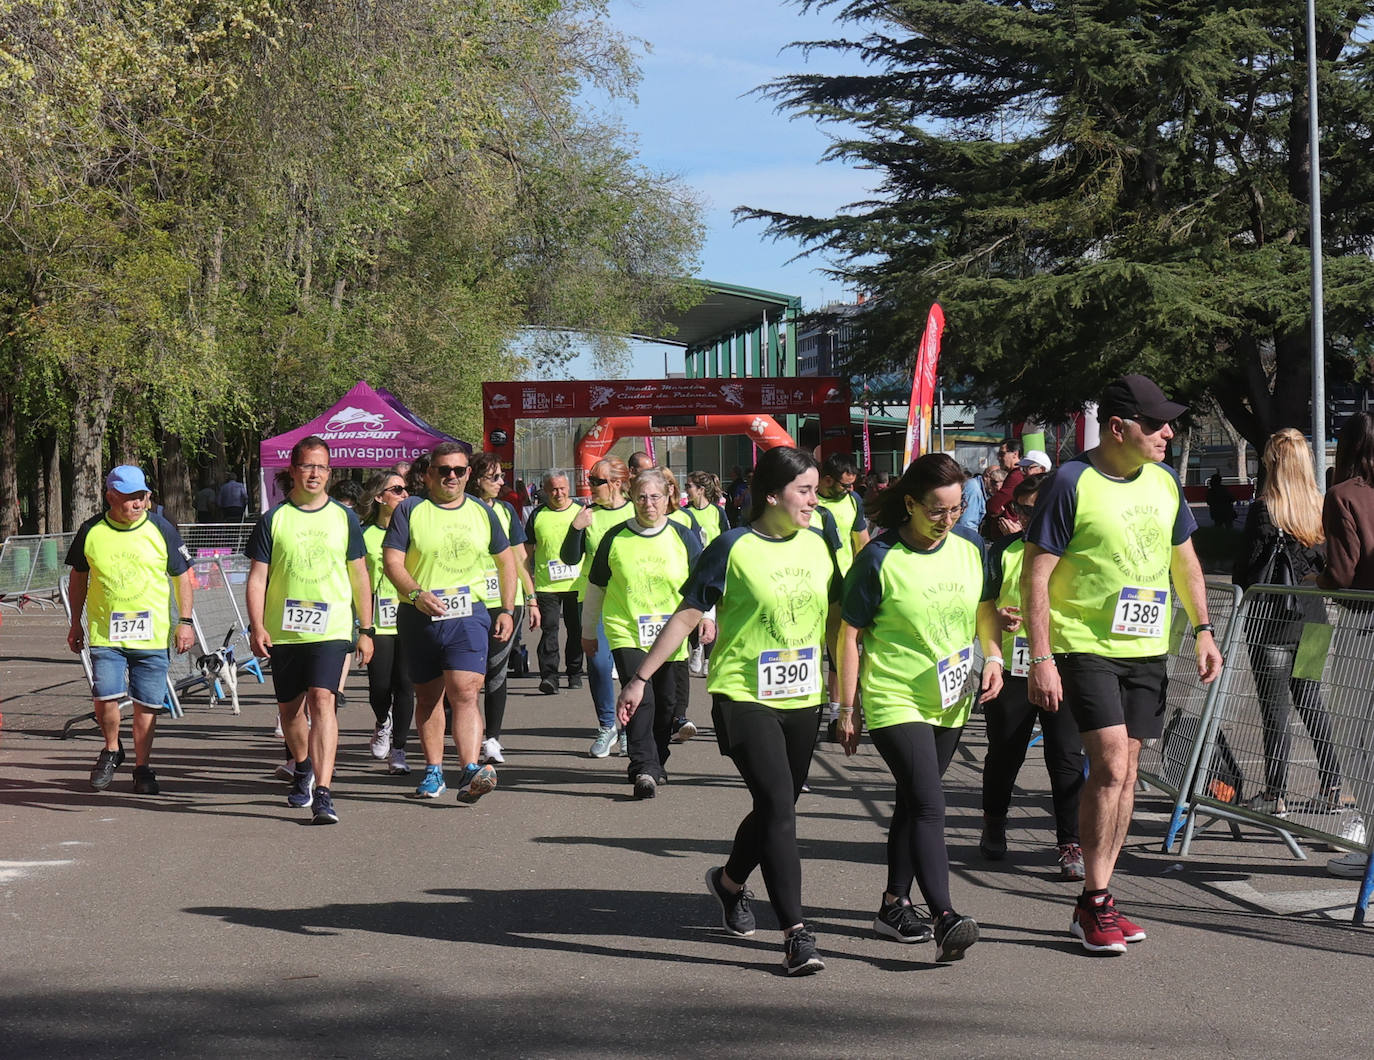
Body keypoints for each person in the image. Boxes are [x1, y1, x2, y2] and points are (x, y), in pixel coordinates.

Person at [616, 446, 841, 976]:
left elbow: (838, 617)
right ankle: (797, 934)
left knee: (774, 809)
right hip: (744, 695)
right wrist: (641, 677)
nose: (814, 499)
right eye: (803, 490)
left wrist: (849, 690)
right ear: (771, 495)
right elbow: (689, 611)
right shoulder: (732, 546)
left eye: (815, 490)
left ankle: (728, 882)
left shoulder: (819, 543)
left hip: (804, 696)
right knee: (780, 809)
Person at [1023, 375, 1223, 954]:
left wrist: (1204, 629)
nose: (1168, 432)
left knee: (1129, 771)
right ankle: (1094, 899)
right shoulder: (1070, 481)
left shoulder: (1163, 482)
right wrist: (1041, 657)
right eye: (1155, 423)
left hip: (1147, 648)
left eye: (1168, 423)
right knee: (1110, 764)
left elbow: (1184, 561)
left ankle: (1098, 899)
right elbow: (1035, 575)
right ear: (1117, 428)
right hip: (1083, 643)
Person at [837, 453, 1000, 962]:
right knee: (930, 803)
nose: (947, 520)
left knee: (912, 802)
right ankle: (946, 915)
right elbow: (848, 634)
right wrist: (846, 706)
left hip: (949, 697)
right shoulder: (878, 557)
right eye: (936, 510)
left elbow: (983, 608)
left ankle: (892, 904)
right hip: (894, 695)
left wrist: (992, 654)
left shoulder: (971, 547)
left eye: (956, 509)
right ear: (910, 502)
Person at [247, 437, 373, 825]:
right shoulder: (274, 520)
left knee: (323, 700)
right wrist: (256, 626)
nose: (314, 473)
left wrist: (366, 629)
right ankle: (301, 764)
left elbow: (359, 576)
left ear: (329, 473)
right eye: (307, 466)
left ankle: (323, 791)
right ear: (294, 470)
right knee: (290, 711)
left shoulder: (344, 518)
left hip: (332, 627)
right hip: (284, 632)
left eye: (321, 467)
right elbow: (256, 578)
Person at [382, 443, 516, 803]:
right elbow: (392, 562)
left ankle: (470, 769)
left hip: (468, 615)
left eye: (458, 470)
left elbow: (506, 562)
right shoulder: (410, 509)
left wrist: (506, 609)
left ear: (468, 474)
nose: (451, 476)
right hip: (419, 616)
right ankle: (433, 770)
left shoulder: (482, 513)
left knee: (466, 692)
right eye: (443, 470)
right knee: (428, 697)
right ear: (428, 475)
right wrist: (415, 594)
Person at [979, 472, 1087, 880]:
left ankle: (1069, 842)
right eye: (1022, 509)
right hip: (1014, 669)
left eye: (1037, 508)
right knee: (1005, 753)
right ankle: (994, 821)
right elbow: (983, 605)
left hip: (1063, 665)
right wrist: (997, 617)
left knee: (1065, 756)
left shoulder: (1074, 549)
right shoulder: (1003, 551)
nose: (1029, 517)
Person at [66, 465, 196, 794]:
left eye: (142, 496)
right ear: (111, 496)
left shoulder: (162, 528)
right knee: (105, 695)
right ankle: (112, 749)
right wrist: (74, 623)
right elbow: (79, 578)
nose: (138, 503)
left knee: (147, 705)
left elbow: (183, 577)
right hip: (105, 634)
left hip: (151, 635)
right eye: (130, 497)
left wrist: (185, 622)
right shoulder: (91, 530)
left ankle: (143, 768)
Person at [584, 468, 706, 798]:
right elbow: (595, 588)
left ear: (668, 498)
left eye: (655, 497)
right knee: (642, 697)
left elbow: (702, 584)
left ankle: (656, 759)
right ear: (630, 498)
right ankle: (642, 767)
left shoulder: (683, 536)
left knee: (667, 705)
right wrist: (587, 631)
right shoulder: (615, 537)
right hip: (627, 631)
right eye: (641, 497)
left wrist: (707, 618)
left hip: (672, 633)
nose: (648, 504)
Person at [1318, 411, 1374, 877]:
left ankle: (1372, 845)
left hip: (1363, 626)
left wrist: (1312, 578)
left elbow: (1341, 574)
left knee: (1357, 736)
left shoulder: (1342, 496)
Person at [467, 452, 539, 765]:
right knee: (469, 674)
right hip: (469, 600)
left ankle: (492, 738)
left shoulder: (508, 511)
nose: (500, 483)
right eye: (493, 477)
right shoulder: (463, 511)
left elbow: (520, 558)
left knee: (496, 669)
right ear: (475, 480)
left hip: (507, 602)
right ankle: (467, 729)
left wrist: (532, 597)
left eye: (501, 477)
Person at [561, 457, 634, 757]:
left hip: (632, 602)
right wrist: (576, 528)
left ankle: (631, 728)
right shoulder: (587, 514)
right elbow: (569, 558)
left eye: (596, 481)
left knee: (632, 669)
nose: (589, 486)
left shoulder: (636, 511)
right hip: (593, 599)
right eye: (589, 480)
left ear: (616, 483)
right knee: (600, 665)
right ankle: (607, 726)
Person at [358, 470, 415, 776]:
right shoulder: (363, 534)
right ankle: (383, 722)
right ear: (380, 497)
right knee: (380, 686)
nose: (404, 495)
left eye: (406, 490)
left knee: (406, 684)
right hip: (377, 621)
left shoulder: (412, 531)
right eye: (397, 490)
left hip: (408, 615)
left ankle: (400, 749)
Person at [525, 470, 584, 695]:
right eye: (553, 489)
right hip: (547, 585)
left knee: (576, 631)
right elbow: (526, 552)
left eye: (562, 488)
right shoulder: (538, 515)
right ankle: (549, 677)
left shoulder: (581, 511)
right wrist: (527, 580)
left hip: (577, 584)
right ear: (545, 490)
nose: (558, 493)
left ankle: (575, 672)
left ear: (568, 488)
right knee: (550, 630)